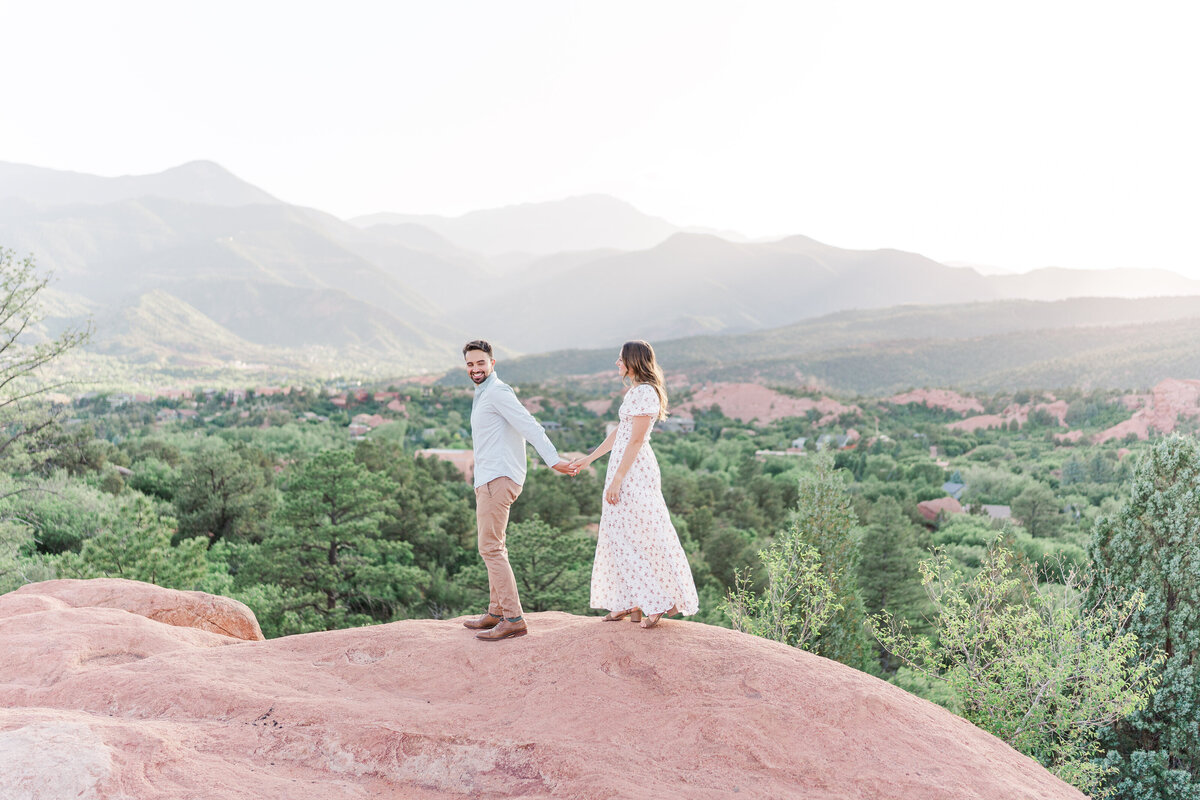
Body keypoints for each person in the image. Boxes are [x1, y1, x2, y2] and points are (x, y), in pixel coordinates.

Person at [569, 340, 699, 628]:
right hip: (622, 466)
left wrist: (617, 480)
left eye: (620, 359)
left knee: (642, 534)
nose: (617, 363)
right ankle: (629, 603)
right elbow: (621, 432)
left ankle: (657, 602)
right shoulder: (635, 392)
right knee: (619, 534)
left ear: (633, 361)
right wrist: (590, 459)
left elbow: (637, 440)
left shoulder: (645, 393)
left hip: (634, 471)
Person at [461, 339, 573, 641]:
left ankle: (513, 618)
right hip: (488, 479)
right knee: (494, 546)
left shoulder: (497, 392)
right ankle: (496, 611)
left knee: (490, 548)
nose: (475, 369)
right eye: (470, 364)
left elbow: (530, 425)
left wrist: (554, 461)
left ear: (492, 363)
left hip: (498, 479)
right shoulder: (483, 394)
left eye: (480, 363)